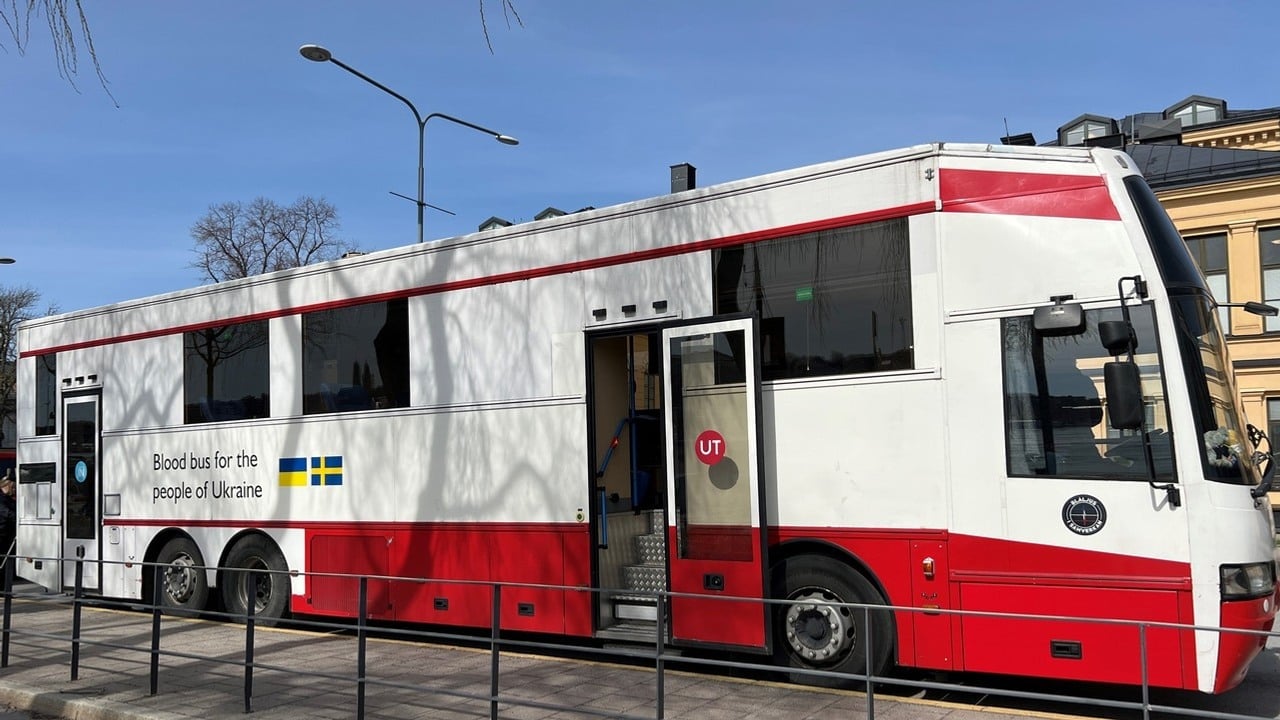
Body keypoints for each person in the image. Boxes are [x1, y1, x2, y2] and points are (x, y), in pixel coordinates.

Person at [0, 471, 15, 564]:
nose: (14, 490)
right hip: (2, 534)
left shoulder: (8, 498)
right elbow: (7, 513)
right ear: (7, 486)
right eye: (13, 487)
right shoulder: (2, 499)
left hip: (7, 534)